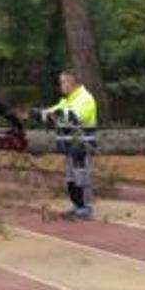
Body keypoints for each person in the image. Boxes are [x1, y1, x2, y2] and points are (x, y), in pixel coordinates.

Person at [37, 69, 98, 220]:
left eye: (63, 82)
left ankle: (86, 208)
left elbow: (72, 117)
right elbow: (52, 112)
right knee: (71, 180)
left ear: (72, 83)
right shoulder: (68, 100)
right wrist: (36, 113)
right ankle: (78, 206)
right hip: (70, 147)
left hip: (81, 147)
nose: (61, 85)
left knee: (81, 177)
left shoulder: (85, 99)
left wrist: (51, 115)